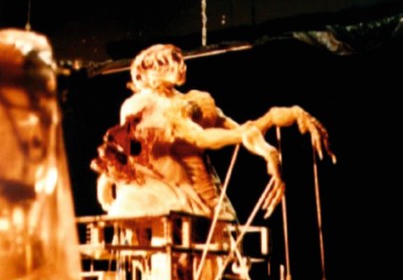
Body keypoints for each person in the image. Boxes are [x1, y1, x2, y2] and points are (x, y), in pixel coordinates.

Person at [92, 44, 334, 223]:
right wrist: (106, 180)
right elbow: (125, 150)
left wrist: (274, 127)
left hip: (204, 199)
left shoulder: (193, 101)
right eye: (168, 63)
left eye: (177, 61)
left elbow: (240, 130)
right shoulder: (141, 104)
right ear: (151, 71)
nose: (179, 67)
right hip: (172, 196)